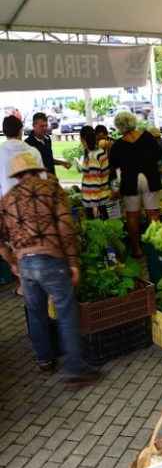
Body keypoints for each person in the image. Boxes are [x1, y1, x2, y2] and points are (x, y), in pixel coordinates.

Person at [0, 151, 99, 386]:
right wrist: (73, 262)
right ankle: (75, 368)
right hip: (52, 259)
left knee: (35, 312)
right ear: (37, 170)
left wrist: (12, 261)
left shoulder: (8, 198)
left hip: (25, 264)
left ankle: (44, 359)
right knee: (66, 312)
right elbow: (65, 227)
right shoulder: (51, 189)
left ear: (17, 175)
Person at [109, 111, 162, 258]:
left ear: (119, 126)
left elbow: (113, 165)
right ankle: (156, 246)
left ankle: (137, 249)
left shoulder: (118, 145)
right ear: (133, 121)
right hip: (150, 178)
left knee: (132, 216)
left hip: (130, 181)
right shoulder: (147, 137)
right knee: (153, 214)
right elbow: (159, 155)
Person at [0, 115, 45, 197]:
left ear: (4, 132)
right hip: (32, 203)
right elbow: (42, 180)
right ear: (21, 130)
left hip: (7, 204)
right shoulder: (33, 152)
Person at [79, 125, 111, 220]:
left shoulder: (93, 156)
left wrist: (94, 205)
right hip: (100, 197)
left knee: (97, 225)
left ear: (83, 139)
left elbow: (94, 182)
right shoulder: (98, 152)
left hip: (95, 199)